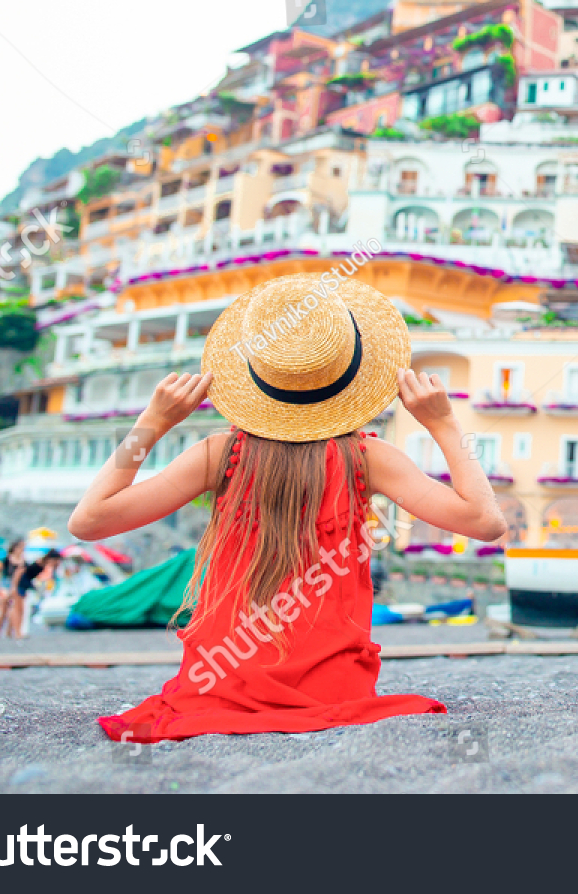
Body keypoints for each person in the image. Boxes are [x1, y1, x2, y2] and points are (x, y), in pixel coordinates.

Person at [68, 274, 505, 744]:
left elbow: (89, 521)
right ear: (349, 373)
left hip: (221, 682)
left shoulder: (220, 455)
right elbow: (485, 522)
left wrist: (151, 424)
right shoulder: (368, 459)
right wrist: (443, 424)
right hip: (332, 688)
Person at [9, 549, 62, 638]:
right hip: (20, 584)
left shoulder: (43, 563)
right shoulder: (39, 561)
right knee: (19, 610)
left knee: (19, 609)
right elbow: (20, 571)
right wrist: (14, 587)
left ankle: (11, 632)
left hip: (25, 584)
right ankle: (17, 633)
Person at [0, 539, 25, 638]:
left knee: (14, 609)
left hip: (16, 585)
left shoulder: (22, 560)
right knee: (3, 610)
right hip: (5, 584)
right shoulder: (6, 559)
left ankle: (9, 631)